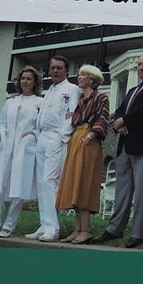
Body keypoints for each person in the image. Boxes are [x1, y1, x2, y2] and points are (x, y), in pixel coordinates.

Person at [89, 53, 143, 247]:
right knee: (122, 190)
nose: (140, 67)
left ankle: (139, 233)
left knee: (141, 192)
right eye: (139, 64)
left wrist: (124, 120)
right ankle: (114, 229)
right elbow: (121, 111)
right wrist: (118, 124)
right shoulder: (132, 90)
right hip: (124, 144)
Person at [0, 67, 43, 238]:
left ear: (35, 82)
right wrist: (3, 132)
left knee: (19, 188)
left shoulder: (40, 102)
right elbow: (1, 121)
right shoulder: (11, 101)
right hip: (6, 149)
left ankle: (8, 226)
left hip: (24, 149)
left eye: (29, 79)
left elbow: (42, 125)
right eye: (23, 78)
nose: (25, 82)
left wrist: (33, 135)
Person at [56, 64, 111, 243]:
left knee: (85, 181)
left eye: (82, 75)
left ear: (92, 79)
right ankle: (77, 228)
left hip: (89, 139)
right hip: (76, 137)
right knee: (75, 182)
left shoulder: (101, 97)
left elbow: (103, 118)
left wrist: (92, 134)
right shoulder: (80, 99)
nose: (79, 78)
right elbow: (73, 118)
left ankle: (86, 229)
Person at [26, 54, 78, 242]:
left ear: (66, 70)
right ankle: (44, 224)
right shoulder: (49, 91)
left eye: (59, 68)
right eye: (52, 67)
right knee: (41, 182)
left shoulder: (72, 89)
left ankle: (53, 228)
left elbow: (71, 114)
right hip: (43, 137)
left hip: (57, 137)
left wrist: (63, 137)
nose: (55, 71)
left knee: (49, 181)